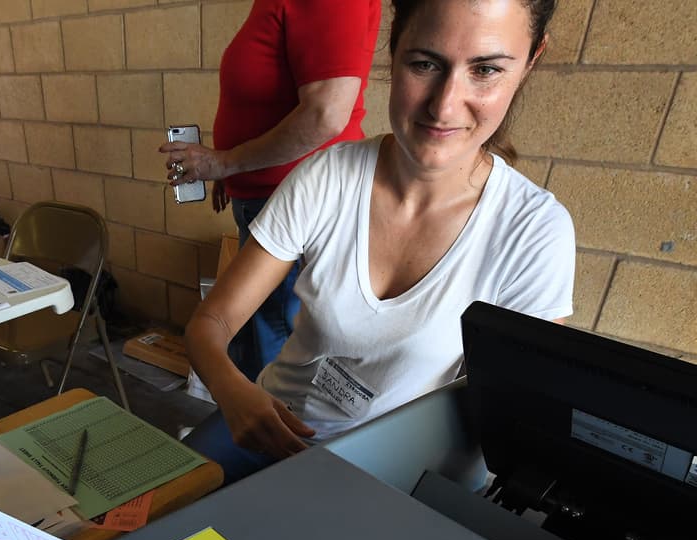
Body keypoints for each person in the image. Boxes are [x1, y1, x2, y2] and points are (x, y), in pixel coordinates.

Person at [184, 0, 574, 485]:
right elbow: (211, 323)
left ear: (531, 61)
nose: (445, 106)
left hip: (388, 469)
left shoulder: (534, 233)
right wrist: (233, 391)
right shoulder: (327, 177)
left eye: (486, 70)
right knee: (150, 518)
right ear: (393, 51)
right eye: (425, 64)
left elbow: (514, 425)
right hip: (271, 424)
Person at [160, 0, 381, 379]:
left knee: (269, 351)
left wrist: (224, 163)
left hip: (292, 206)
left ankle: (261, 418)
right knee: (256, 340)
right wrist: (232, 170)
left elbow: (326, 114)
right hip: (270, 200)